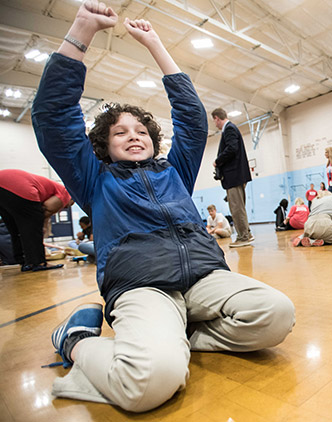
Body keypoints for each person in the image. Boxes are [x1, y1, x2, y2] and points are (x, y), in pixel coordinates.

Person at [32, 2, 295, 412]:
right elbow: (53, 117)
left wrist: (156, 44)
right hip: (141, 285)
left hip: (204, 277)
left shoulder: (176, 170)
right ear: (104, 145)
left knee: (277, 314)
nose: (133, 136)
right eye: (120, 133)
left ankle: (172, 339)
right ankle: (78, 341)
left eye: (141, 130)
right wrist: (82, 31)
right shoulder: (94, 178)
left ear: (153, 139)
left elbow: (192, 119)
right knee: (149, 383)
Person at [0, 169, 71, 271]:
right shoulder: (66, 194)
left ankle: (23, 261)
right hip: (19, 187)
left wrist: (44, 224)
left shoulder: (50, 186)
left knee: (15, 229)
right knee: (33, 227)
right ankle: (39, 262)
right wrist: (42, 226)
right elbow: (47, 208)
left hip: (5, 184)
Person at [212, 108, 254, 247]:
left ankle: (243, 237)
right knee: (239, 207)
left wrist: (218, 161)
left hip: (234, 175)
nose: (215, 124)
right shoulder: (231, 128)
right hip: (237, 175)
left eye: (214, 120)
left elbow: (232, 148)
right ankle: (246, 233)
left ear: (217, 118)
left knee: (236, 208)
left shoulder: (229, 129)